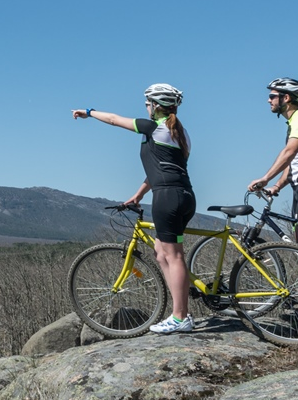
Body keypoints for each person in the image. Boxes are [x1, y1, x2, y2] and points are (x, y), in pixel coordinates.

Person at [72, 83, 196, 334]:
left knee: (174, 256)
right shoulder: (181, 134)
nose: (145, 107)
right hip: (184, 196)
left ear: (155, 105)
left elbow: (114, 119)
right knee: (161, 253)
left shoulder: (153, 127)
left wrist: (89, 112)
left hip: (167, 198)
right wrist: (138, 195)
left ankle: (180, 317)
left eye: (147, 103)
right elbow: (160, 169)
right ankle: (179, 312)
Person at [247, 78, 298, 264]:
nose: (268, 100)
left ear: (286, 98)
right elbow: (294, 162)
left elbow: (289, 153)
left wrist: (265, 178)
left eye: (272, 96)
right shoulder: (294, 123)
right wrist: (277, 186)